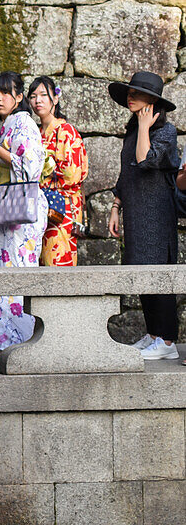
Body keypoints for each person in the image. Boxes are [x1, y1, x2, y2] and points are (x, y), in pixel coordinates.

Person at [108, 71, 179, 361]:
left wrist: (146, 126)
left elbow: (145, 160)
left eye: (136, 93)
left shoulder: (166, 131)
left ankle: (168, 341)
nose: (130, 96)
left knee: (158, 273)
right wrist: (115, 207)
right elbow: (127, 173)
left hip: (157, 212)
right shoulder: (134, 130)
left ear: (153, 100)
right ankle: (153, 334)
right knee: (141, 272)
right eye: (129, 92)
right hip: (136, 212)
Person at [0, 72, 47, 363]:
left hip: (23, 213)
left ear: (19, 97)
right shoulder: (8, 125)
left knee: (16, 274)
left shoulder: (24, 123)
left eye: (5, 93)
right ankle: (6, 342)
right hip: (11, 209)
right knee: (4, 274)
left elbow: (31, 167)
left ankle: (18, 343)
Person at [28, 76, 89, 266]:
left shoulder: (65, 131)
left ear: (55, 98)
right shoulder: (34, 133)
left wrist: (42, 178)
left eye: (43, 95)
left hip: (61, 208)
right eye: (33, 96)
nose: (38, 100)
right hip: (39, 207)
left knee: (56, 260)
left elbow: (73, 174)